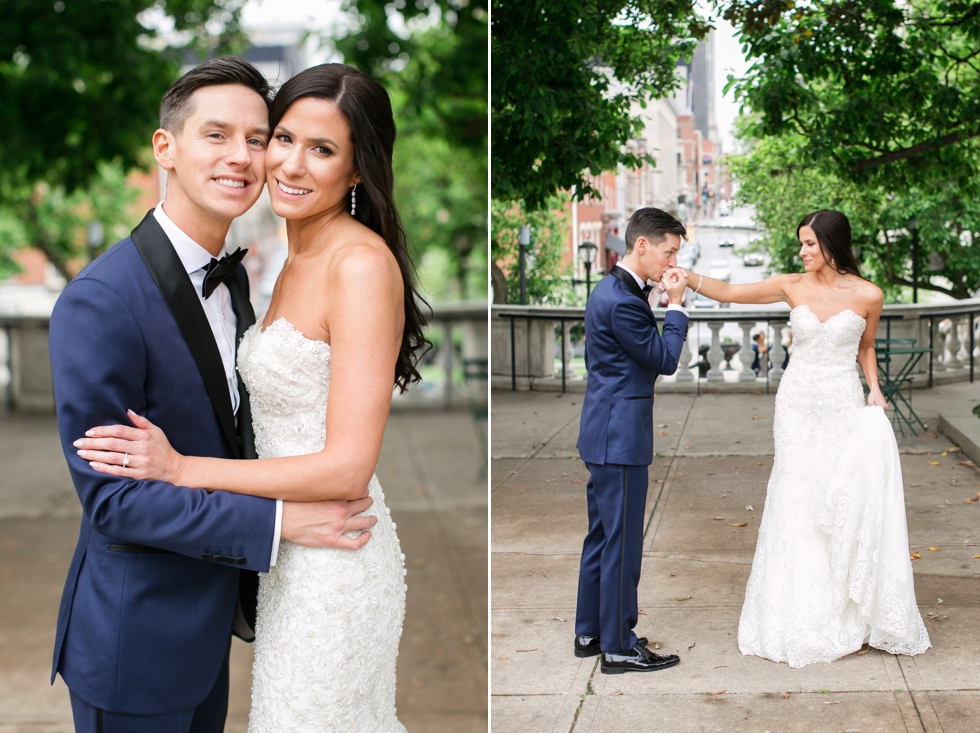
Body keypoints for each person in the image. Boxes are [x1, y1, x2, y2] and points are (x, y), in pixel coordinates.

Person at [73, 63, 429, 730]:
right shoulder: (277, 265)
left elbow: (348, 465)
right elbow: (113, 493)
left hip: (333, 560)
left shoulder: (357, 264)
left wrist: (182, 468)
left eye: (321, 149)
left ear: (358, 171)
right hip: (269, 569)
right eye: (284, 139)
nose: (287, 164)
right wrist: (271, 525)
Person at [674, 209, 930, 667]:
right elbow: (732, 292)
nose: (803, 251)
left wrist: (874, 388)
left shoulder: (870, 294)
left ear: (832, 244)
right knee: (796, 495)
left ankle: (845, 607)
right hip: (796, 404)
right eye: (802, 244)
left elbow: (865, 346)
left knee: (839, 496)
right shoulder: (791, 284)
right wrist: (686, 275)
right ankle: (793, 611)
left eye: (810, 243)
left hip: (841, 402)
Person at [573, 207, 690, 674]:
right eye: (669, 251)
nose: (671, 261)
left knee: (601, 537)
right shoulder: (623, 300)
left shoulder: (609, 288)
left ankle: (591, 632)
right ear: (642, 245)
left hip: (602, 431)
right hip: (619, 439)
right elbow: (664, 359)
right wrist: (676, 305)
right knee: (621, 545)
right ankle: (618, 645)